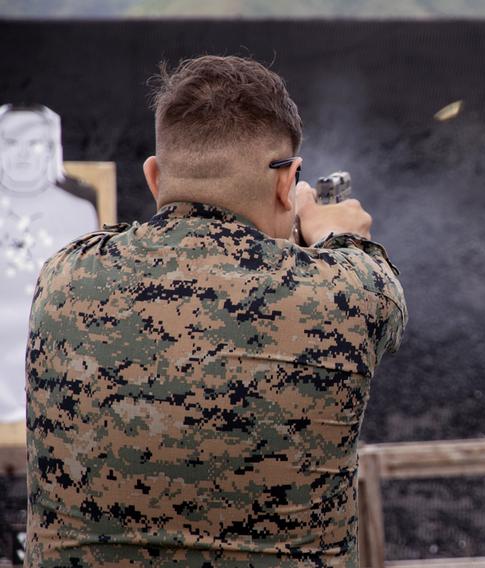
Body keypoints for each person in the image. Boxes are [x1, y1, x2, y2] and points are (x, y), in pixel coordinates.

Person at [25, 55, 407, 567]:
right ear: (285, 181)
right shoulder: (346, 289)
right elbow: (381, 295)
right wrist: (333, 234)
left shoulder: (62, 277)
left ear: (155, 177)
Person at [0, 104, 98, 423]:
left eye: (33, 142)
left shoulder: (79, 212)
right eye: (11, 142)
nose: (23, 154)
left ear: (50, 149)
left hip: (57, 372)